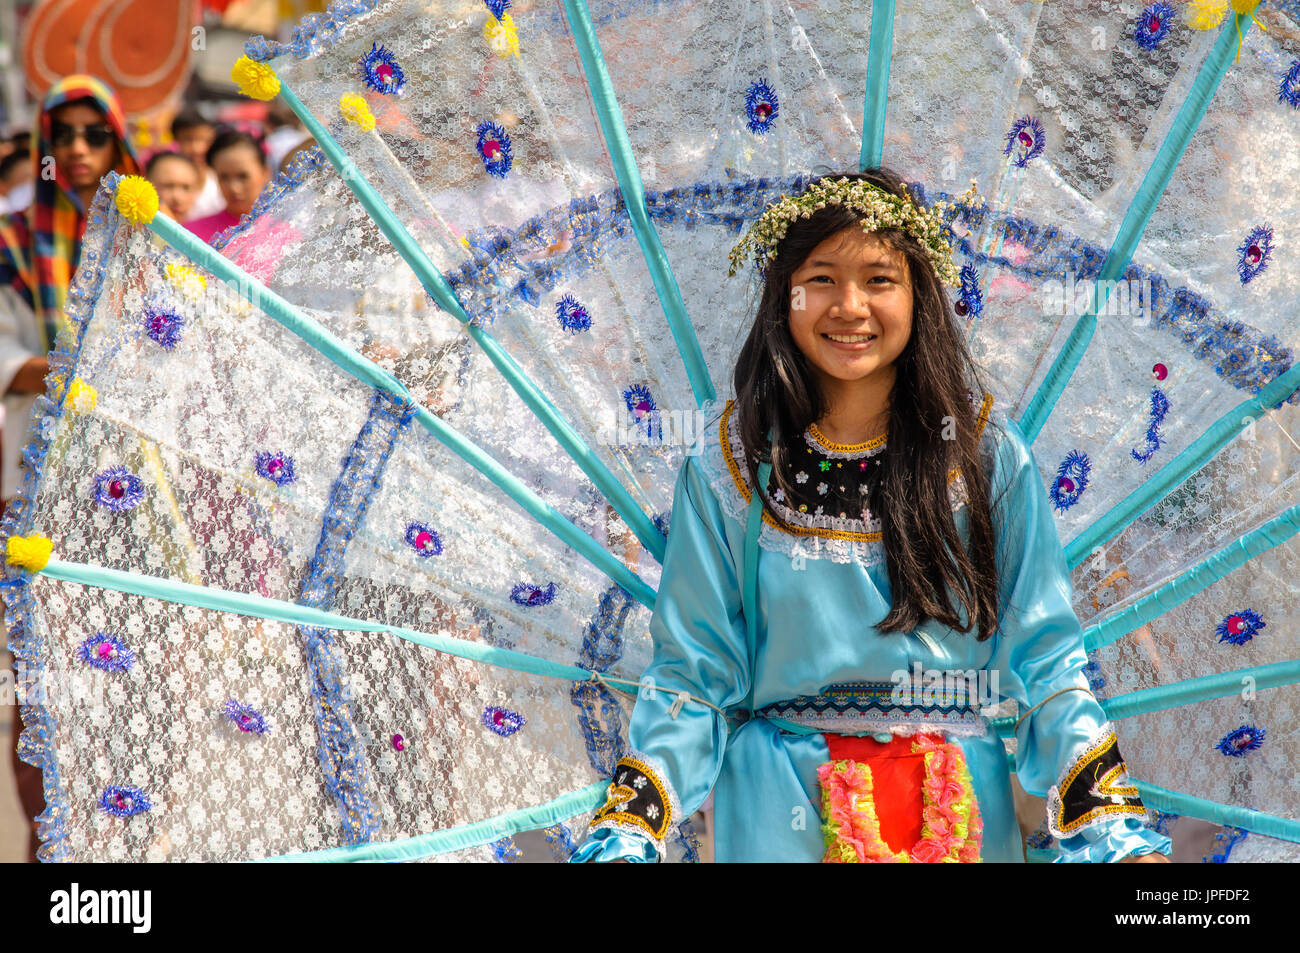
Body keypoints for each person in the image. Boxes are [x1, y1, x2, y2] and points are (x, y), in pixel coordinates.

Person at [570, 169, 1172, 863]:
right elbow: (693, 674)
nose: (849, 306)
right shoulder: (730, 465)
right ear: (783, 297)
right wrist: (631, 826)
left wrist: (1109, 829)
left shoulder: (986, 456)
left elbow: (1046, 662)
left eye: (880, 279)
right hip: (779, 813)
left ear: (920, 297)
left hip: (958, 810)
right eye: (821, 278)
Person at [0, 75, 138, 864]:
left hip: (137, 501)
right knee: (44, 687)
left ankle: (127, 853)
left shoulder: (151, 240)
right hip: (39, 502)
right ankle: (53, 859)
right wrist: (79, 370)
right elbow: (7, 358)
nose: (78, 151)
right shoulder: (11, 242)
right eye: (64, 136)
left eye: (95, 135)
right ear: (45, 149)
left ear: (121, 144)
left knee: (135, 684)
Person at [184, 129, 270, 244]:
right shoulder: (191, 236)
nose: (234, 188)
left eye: (243, 176)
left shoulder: (287, 231)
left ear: (265, 173)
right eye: (224, 177)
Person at [170, 107, 223, 220]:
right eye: (188, 139)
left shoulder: (220, 180)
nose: (196, 148)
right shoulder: (166, 181)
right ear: (176, 141)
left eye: (202, 139)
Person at [144, 150, 201, 222]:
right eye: (168, 186)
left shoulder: (204, 231)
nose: (177, 198)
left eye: (186, 188)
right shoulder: (130, 230)